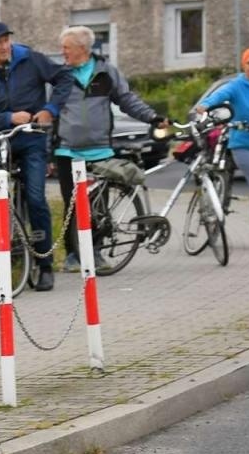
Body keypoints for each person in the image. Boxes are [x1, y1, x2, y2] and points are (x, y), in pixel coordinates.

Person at [50, 25, 165, 273]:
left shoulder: (106, 72)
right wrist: (47, 147)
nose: (63, 52)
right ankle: (72, 254)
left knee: (99, 208)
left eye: (66, 48)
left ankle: (96, 251)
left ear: (82, 48)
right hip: (67, 151)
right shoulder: (60, 75)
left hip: (100, 150)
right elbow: (49, 110)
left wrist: (152, 117)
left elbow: (127, 100)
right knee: (72, 204)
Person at [0, 21, 66, 290]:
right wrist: (8, 118)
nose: (4, 46)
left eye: (7, 40)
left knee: (35, 198)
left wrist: (50, 109)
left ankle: (45, 264)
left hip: (31, 140)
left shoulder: (31, 60)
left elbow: (64, 78)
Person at [197, 47, 249, 249]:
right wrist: (205, 105)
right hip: (242, 144)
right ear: (244, 65)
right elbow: (220, 95)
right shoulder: (236, 85)